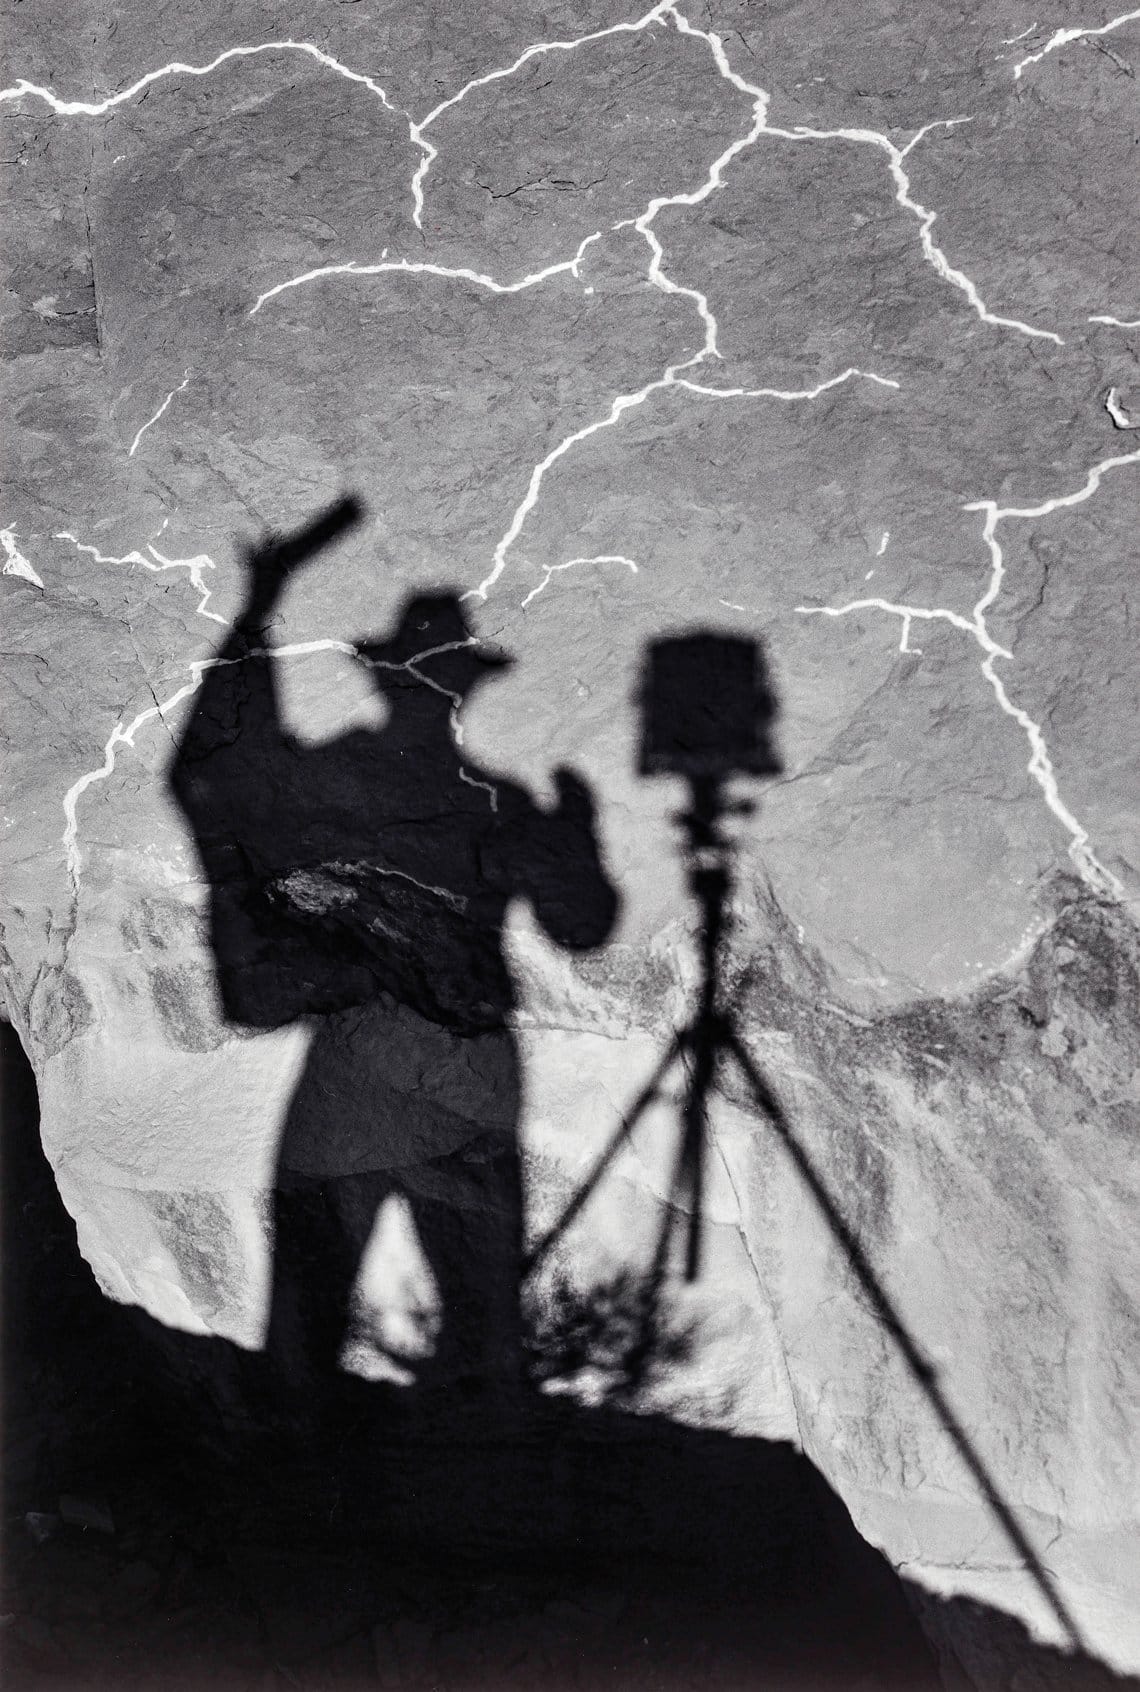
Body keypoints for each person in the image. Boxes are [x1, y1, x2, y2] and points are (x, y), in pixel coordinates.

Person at [170, 502, 618, 1414]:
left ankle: (297, 1489)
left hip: (356, 1067)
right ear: (463, 689)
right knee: (482, 1315)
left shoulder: (333, 781)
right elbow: (583, 925)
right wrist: (578, 834)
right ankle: (477, 1500)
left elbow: (205, 777)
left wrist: (255, 614)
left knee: (311, 1303)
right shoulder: (498, 805)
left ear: (381, 681)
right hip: (462, 1076)